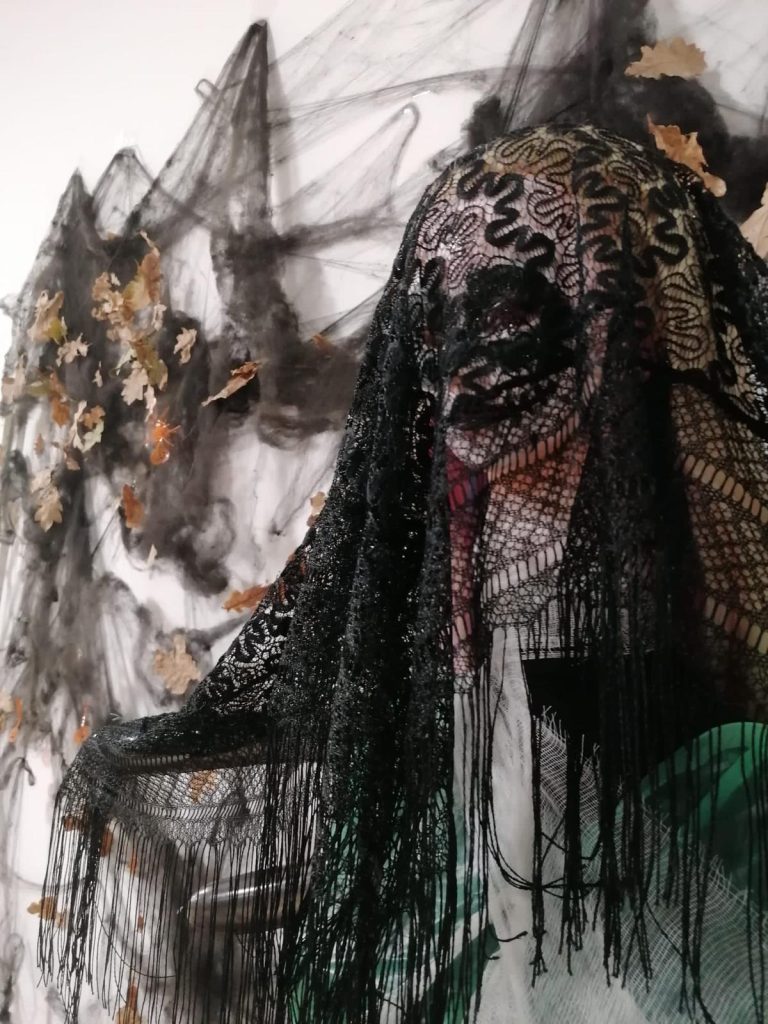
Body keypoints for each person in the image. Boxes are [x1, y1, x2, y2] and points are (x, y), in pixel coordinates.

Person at [40, 122, 768, 1024]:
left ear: (663, 336)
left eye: (518, 336)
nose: (469, 399)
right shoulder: (419, 710)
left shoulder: (729, 777)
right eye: (444, 343)